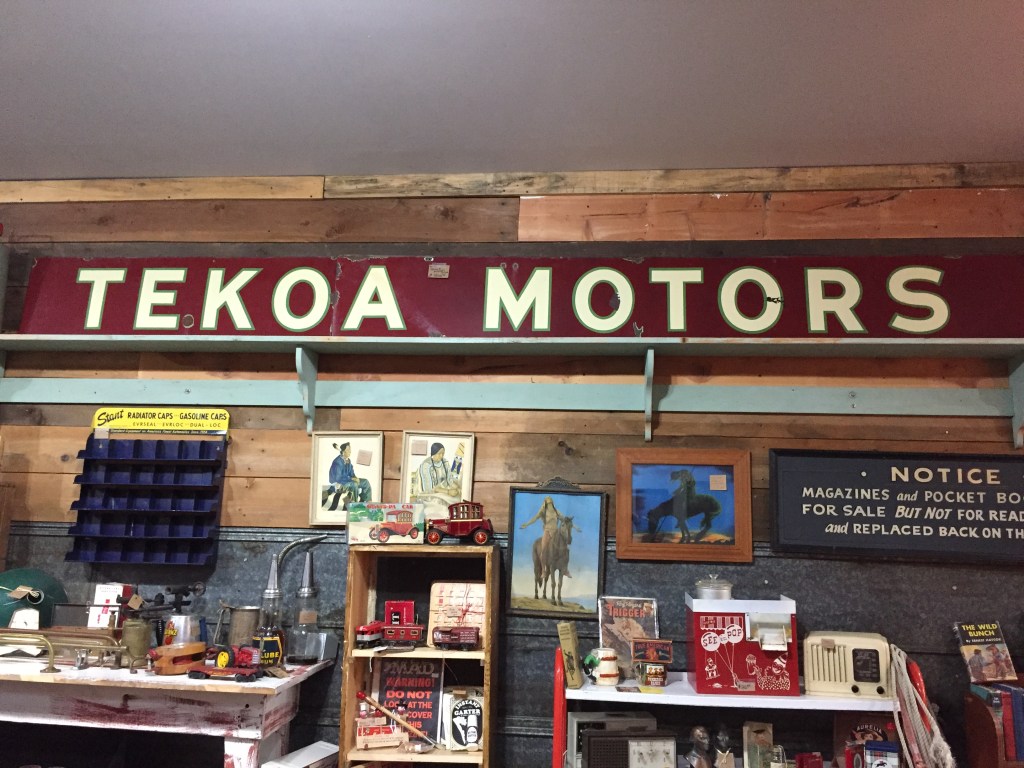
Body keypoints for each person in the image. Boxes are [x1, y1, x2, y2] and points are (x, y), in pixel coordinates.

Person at [520, 495, 572, 578]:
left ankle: (565, 570)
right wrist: (526, 524)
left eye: (551, 503)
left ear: (552, 503)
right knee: (543, 550)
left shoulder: (556, 511)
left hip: (556, 532)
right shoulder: (543, 512)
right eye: (548, 503)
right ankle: (543, 571)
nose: (550, 505)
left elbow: (564, 519)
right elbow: (535, 518)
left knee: (565, 549)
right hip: (547, 532)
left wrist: (571, 523)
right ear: (545, 504)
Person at [326, 442, 371, 509]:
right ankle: (354, 505)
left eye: (350, 449)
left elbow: (351, 473)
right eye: (348, 450)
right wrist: (351, 479)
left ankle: (367, 502)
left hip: (348, 481)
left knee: (365, 482)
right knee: (354, 485)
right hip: (338, 484)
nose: (350, 451)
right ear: (343, 452)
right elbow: (338, 478)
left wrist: (355, 477)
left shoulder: (348, 460)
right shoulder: (337, 462)